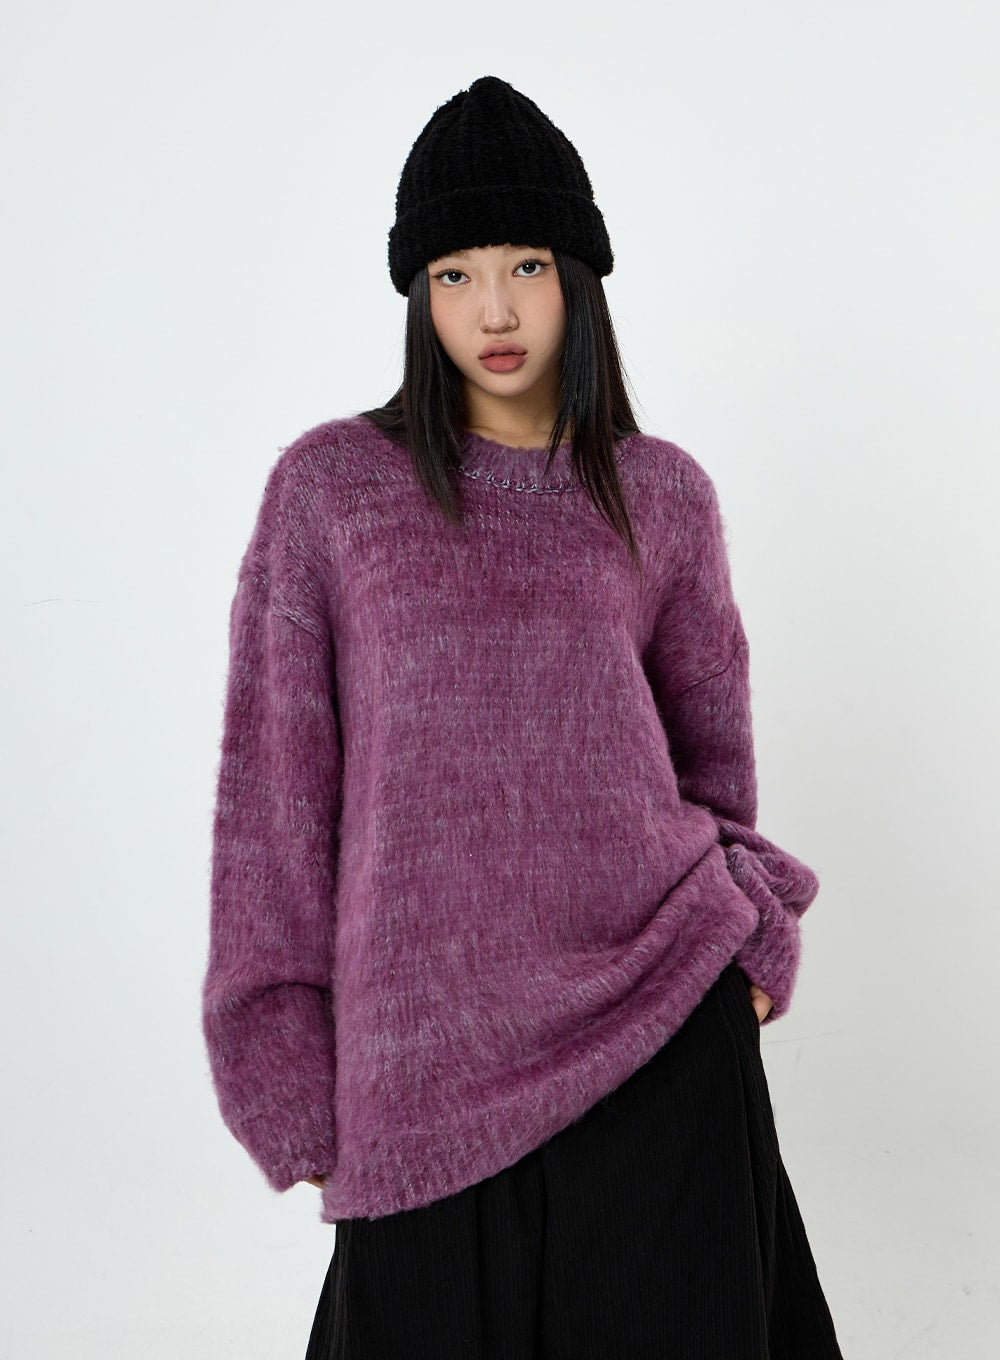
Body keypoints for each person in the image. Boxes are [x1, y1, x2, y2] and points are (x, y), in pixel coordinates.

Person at [201, 74, 845, 1358]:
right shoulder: (333, 492)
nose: (492, 310)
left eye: (526, 266)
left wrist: (747, 953)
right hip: (422, 1064)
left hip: (659, 1033)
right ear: (417, 293)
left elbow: (712, 780)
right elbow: (274, 801)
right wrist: (282, 1068)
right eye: (454, 274)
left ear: (577, 277)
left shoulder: (660, 495)